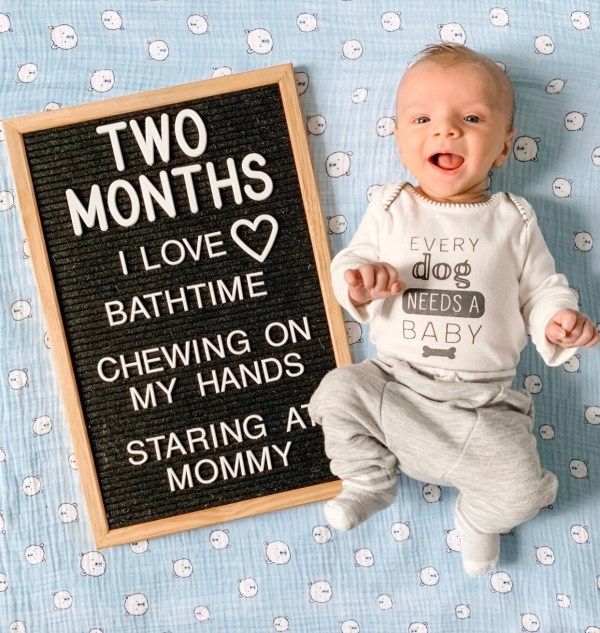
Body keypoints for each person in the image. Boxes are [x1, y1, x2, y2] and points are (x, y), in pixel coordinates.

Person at [307, 42, 598, 576]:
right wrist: (360, 282)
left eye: (470, 118)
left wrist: (557, 319)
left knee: (524, 490)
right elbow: (354, 259)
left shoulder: (513, 218)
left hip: (482, 407)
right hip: (397, 386)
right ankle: (369, 480)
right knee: (336, 392)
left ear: (504, 147)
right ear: (399, 138)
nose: (445, 131)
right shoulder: (392, 205)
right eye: (422, 118)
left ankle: (481, 520)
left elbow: (541, 288)